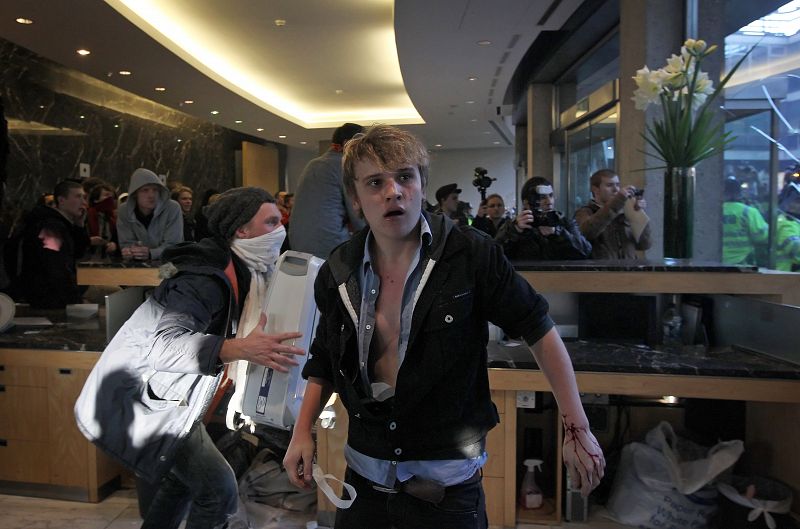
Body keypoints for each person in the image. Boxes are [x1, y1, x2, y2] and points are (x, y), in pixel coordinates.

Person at [283, 125, 605, 529]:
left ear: (421, 184)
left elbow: (538, 329)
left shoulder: (469, 254)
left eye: (404, 177)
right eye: (375, 182)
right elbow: (325, 356)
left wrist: (577, 427)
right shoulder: (338, 269)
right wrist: (302, 432)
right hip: (364, 484)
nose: (393, 192)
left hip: (447, 491)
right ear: (356, 198)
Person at [74, 187, 305, 529]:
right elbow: (164, 344)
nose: (280, 230)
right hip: (145, 397)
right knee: (218, 490)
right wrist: (239, 348)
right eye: (271, 222)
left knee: (181, 482)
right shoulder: (204, 280)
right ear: (241, 230)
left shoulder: (246, 271)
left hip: (170, 397)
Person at [289, 123, 366, 259]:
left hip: (297, 246)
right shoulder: (343, 166)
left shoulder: (313, 164)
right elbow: (358, 216)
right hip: (330, 248)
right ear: (348, 144)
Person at [17, 179, 90, 308]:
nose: (84, 202)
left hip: (59, 291)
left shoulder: (64, 225)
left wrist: (80, 226)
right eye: (78, 197)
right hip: (47, 295)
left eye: (84, 197)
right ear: (61, 200)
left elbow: (78, 252)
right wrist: (75, 300)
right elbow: (55, 266)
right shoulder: (50, 228)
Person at [496, 177, 592, 260]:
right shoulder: (514, 226)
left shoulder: (564, 223)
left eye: (551, 196)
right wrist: (515, 230)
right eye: (542, 197)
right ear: (526, 203)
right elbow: (495, 253)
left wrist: (558, 233)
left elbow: (585, 251)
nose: (549, 202)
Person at [575, 169, 651, 259]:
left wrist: (638, 213)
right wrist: (617, 201)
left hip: (629, 270)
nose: (616, 189)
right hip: (602, 271)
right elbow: (587, 234)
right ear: (595, 190)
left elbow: (644, 245)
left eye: (618, 185)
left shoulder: (624, 213)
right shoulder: (585, 212)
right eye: (609, 185)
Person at [117, 168, 183, 260]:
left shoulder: (172, 208)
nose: (151, 195)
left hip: (169, 263)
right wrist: (130, 251)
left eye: (155, 190)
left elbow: (174, 245)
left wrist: (151, 253)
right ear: (135, 193)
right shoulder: (124, 210)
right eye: (145, 190)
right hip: (137, 265)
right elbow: (126, 242)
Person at [722, 176, 768, 266]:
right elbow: (762, 236)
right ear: (740, 193)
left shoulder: (712, 212)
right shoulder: (748, 212)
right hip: (743, 263)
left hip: (715, 263)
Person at [86, 183, 119, 260]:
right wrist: (89, 241)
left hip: (105, 263)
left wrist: (114, 245)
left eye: (112, 197)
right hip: (86, 262)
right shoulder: (86, 216)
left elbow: (116, 239)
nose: (110, 199)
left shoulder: (112, 220)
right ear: (96, 200)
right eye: (106, 195)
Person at [776, 181, 800, 272]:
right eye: (797, 201)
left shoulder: (794, 222)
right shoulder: (784, 223)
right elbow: (796, 248)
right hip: (785, 278)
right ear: (787, 203)